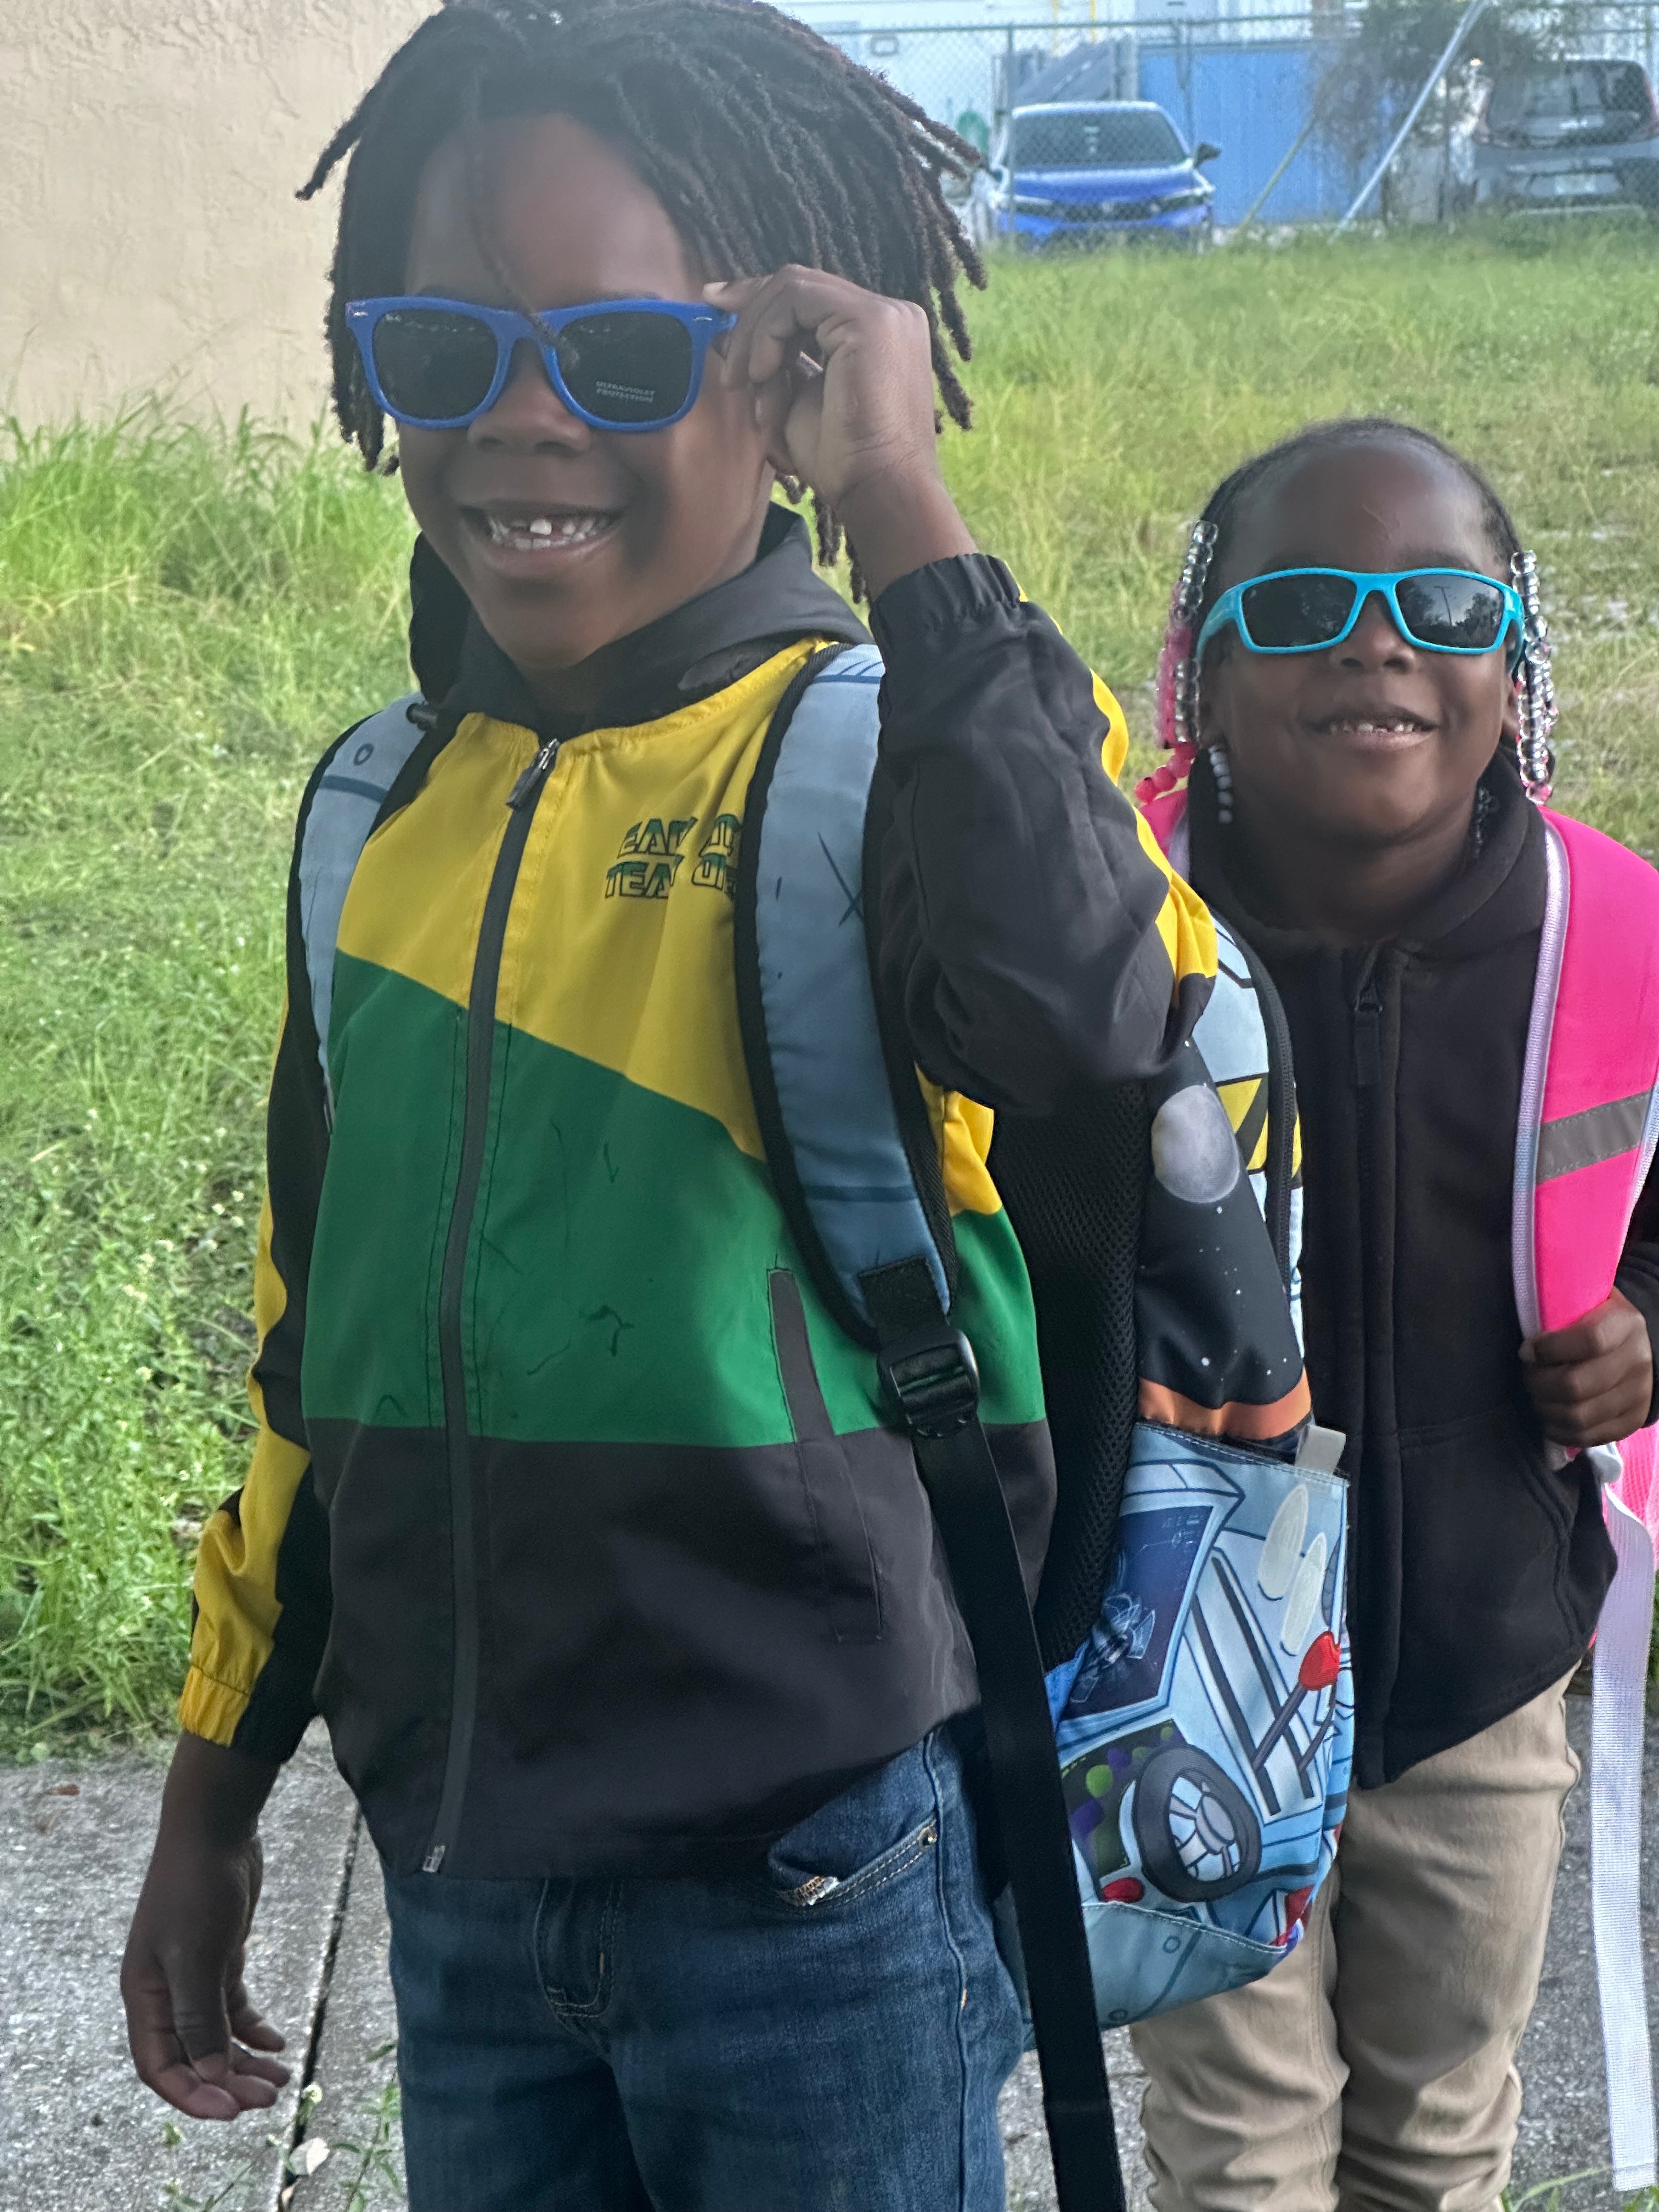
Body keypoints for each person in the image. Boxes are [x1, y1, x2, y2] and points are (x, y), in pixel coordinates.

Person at [118, 4, 1214, 2207]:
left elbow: (1087, 1013)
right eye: (445, 349)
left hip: (822, 1898)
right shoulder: (373, 822)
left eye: (623, 358)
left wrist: (899, 499)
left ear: (781, 372)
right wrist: (215, 1785)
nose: (523, 423)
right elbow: (317, 1358)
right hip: (470, 1893)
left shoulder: (893, 755)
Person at [1129, 415, 1659, 2212]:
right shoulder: (1108, 928)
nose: (1378, 647)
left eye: (1443, 608)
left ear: (1517, 672)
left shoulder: (1616, 933)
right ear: (1200, 679)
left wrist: (1649, 1323)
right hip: (1177, 1664)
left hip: (1481, 1661)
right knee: (1239, 2158)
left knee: (1438, 2138)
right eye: (1301, 609)